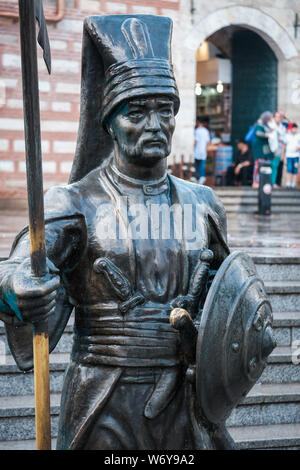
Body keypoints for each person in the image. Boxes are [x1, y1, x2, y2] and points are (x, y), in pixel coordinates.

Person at [0, 15, 235, 450]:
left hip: (189, 401)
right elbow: (15, 268)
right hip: (105, 401)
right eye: (137, 111)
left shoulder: (204, 203)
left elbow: (230, 299)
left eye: (165, 109)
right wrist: (17, 287)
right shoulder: (74, 203)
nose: (154, 124)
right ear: (108, 121)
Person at [251, 111, 274, 189]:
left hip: (264, 149)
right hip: (259, 148)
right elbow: (258, 133)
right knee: (257, 165)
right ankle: (255, 182)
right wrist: (266, 135)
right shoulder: (259, 124)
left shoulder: (266, 125)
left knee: (264, 166)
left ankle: (262, 181)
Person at [268, 111, 286, 188]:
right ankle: (268, 182)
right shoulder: (270, 125)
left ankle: (273, 182)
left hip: (278, 150)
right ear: (274, 117)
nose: (279, 118)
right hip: (269, 149)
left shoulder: (282, 127)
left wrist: (282, 153)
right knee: (269, 166)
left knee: (275, 166)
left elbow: (284, 140)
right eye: (277, 116)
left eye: (280, 117)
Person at [193, 116, 210, 185]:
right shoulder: (206, 131)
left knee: (197, 165)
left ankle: (198, 178)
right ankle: (202, 177)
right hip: (203, 151)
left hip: (197, 151)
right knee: (202, 166)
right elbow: (208, 142)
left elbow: (195, 142)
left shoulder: (197, 131)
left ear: (198, 122)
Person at [282, 123, 300, 188]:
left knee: (295, 170)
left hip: (296, 156)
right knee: (289, 169)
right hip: (289, 155)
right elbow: (284, 146)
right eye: (293, 128)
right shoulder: (287, 136)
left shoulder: (298, 136)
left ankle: (293, 183)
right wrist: (283, 155)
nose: (294, 130)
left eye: (295, 128)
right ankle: (288, 183)